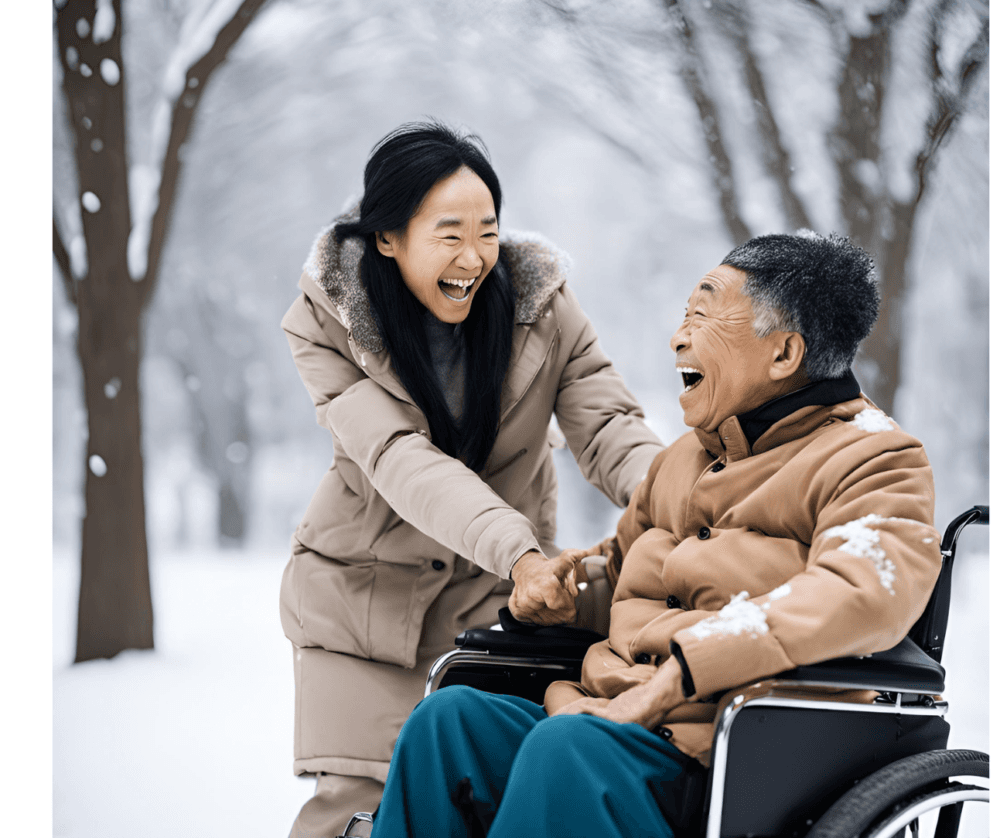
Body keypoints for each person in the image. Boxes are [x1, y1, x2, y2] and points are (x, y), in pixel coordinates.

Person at [366, 231, 943, 838]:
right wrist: (565, 593)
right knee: (448, 722)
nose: (678, 336)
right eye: (683, 315)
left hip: (725, 757)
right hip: (605, 721)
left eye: (703, 314)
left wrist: (683, 672)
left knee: (568, 750)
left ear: (783, 354)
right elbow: (621, 573)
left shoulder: (876, 461)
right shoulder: (681, 461)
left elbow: (860, 592)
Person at [280, 121, 665, 837]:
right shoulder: (327, 320)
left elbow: (607, 425)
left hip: (491, 608)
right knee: (357, 813)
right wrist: (520, 551)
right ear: (388, 237)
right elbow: (400, 457)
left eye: (487, 231)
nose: (473, 257)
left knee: (464, 802)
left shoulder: (541, 306)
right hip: (365, 602)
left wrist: (685, 495)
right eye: (448, 233)